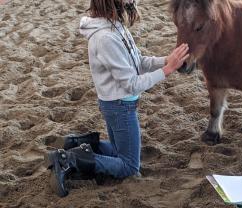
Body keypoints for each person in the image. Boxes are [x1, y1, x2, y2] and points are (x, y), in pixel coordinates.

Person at [44, 0, 189, 197]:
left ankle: (78, 145)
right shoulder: (106, 38)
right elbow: (131, 84)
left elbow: (138, 61)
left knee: (118, 152)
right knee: (129, 166)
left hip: (117, 105)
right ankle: (69, 159)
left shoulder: (115, 26)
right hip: (120, 107)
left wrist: (166, 59)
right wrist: (167, 69)